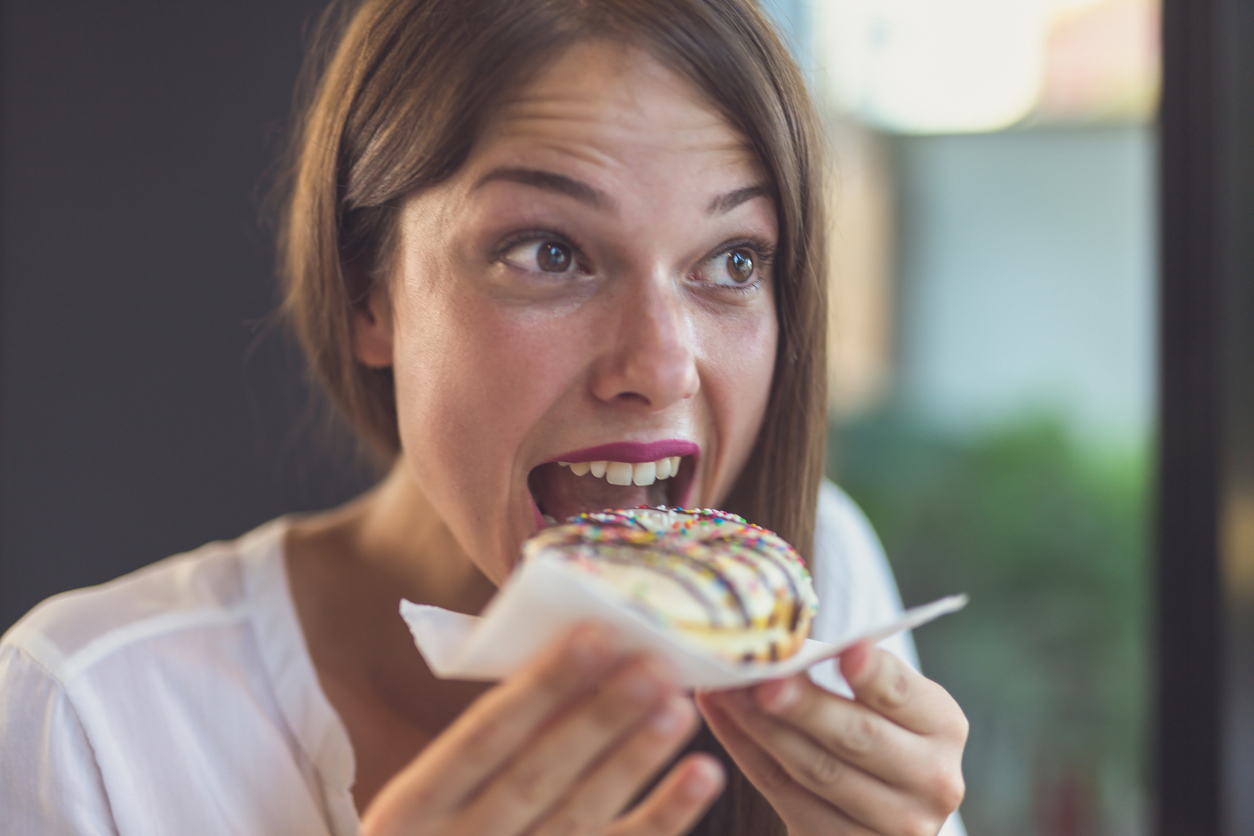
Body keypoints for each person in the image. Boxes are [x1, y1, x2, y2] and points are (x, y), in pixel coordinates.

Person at [0, 1, 968, 834]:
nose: (662, 366)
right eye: (549, 252)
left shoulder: (818, 577)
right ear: (365, 292)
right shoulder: (88, 712)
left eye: (733, 261)